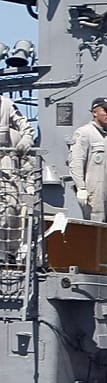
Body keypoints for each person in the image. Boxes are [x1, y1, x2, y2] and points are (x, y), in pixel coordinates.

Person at [67, 97, 107, 223]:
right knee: (96, 226)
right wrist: (81, 188)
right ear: (95, 112)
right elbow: (76, 162)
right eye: (105, 111)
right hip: (94, 193)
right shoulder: (84, 133)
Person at [0, 93, 33, 263]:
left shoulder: (6, 105)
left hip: (5, 163)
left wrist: (25, 142)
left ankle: (7, 253)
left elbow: (27, 129)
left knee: (9, 208)